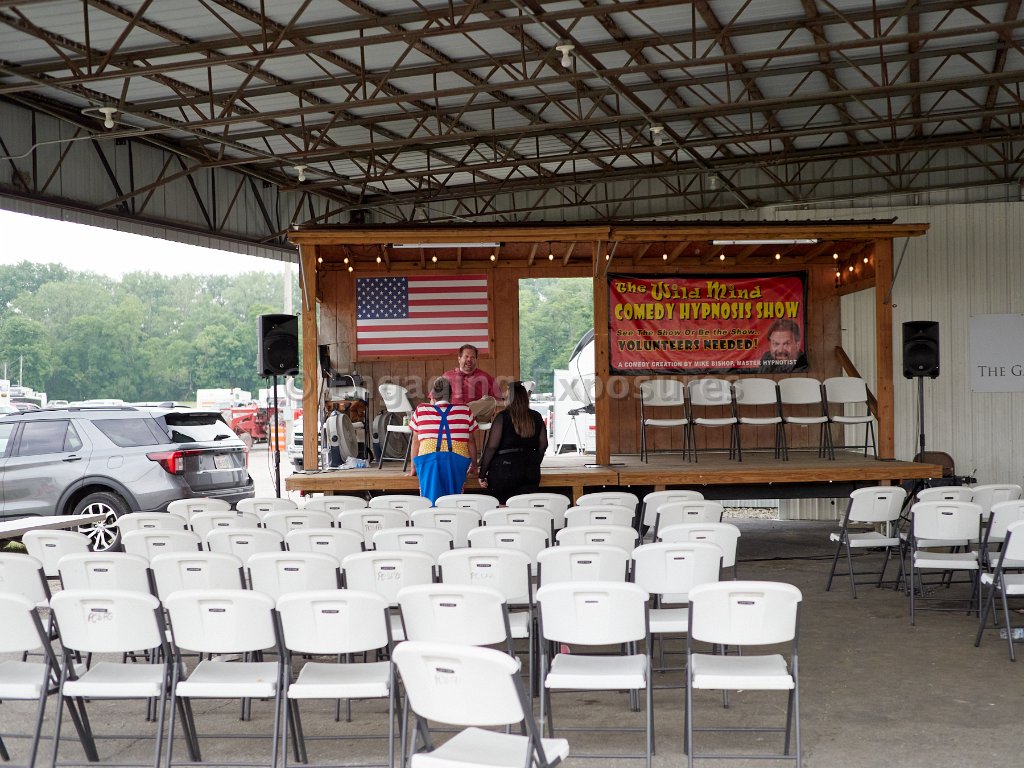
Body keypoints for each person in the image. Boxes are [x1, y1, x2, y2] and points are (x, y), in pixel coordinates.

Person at [407, 376, 479, 503]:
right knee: (453, 501)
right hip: (457, 462)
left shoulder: (421, 410)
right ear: (451, 396)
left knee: (429, 501)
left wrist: (413, 468)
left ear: (432, 396)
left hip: (428, 463)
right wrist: (474, 465)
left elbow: (415, 441)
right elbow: (471, 441)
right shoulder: (465, 410)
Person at [478, 382, 547, 503]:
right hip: (530, 470)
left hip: (504, 469)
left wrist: (482, 474)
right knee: (526, 507)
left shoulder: (502, 417)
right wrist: (535, 462)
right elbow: (543, 445)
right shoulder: (536, 416)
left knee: (502, 508)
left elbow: (492, 447)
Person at [443, 343, 502, 423]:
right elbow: (434, 399)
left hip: (476, 419)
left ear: (476, 359)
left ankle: (461, 413)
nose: (469, 360)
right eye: (466, 356)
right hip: (451, 416)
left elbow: (498, 402)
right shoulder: (447, 376)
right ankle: (460, 413)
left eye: (472, 357)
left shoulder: (486, 377)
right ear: (459, 359)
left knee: (491, 401)